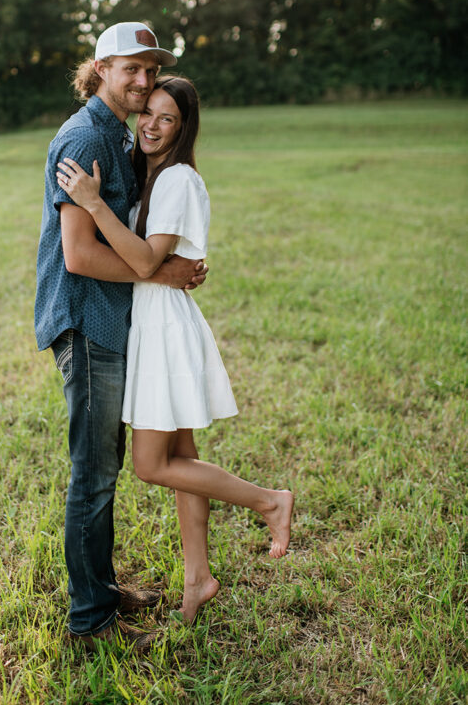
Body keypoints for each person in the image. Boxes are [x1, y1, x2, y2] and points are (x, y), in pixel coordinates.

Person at [57, 74, 295, 623]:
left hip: (163, 329)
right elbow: (157, 262)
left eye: (168, 119)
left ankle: (269, 501)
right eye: (150, 114)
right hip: (154, 321)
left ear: (184, 129)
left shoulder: (177, 179)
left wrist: (92, 204)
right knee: (181, 458)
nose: (153, 125)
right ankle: (198, 578)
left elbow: (143, 263)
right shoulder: (156, 177)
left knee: (150, 464)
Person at [34, 22, 207, 651]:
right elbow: (79, 255)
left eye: (151, 70)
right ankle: (91, 622)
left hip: (114, 322)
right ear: (101, 67)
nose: (143, 80)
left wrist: (166, 267)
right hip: (85, 322)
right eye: (131, 68)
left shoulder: (117, 135)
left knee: (104, 468)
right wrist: (165, 272)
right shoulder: (84, 137)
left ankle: (102, 591)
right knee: (95, 473)